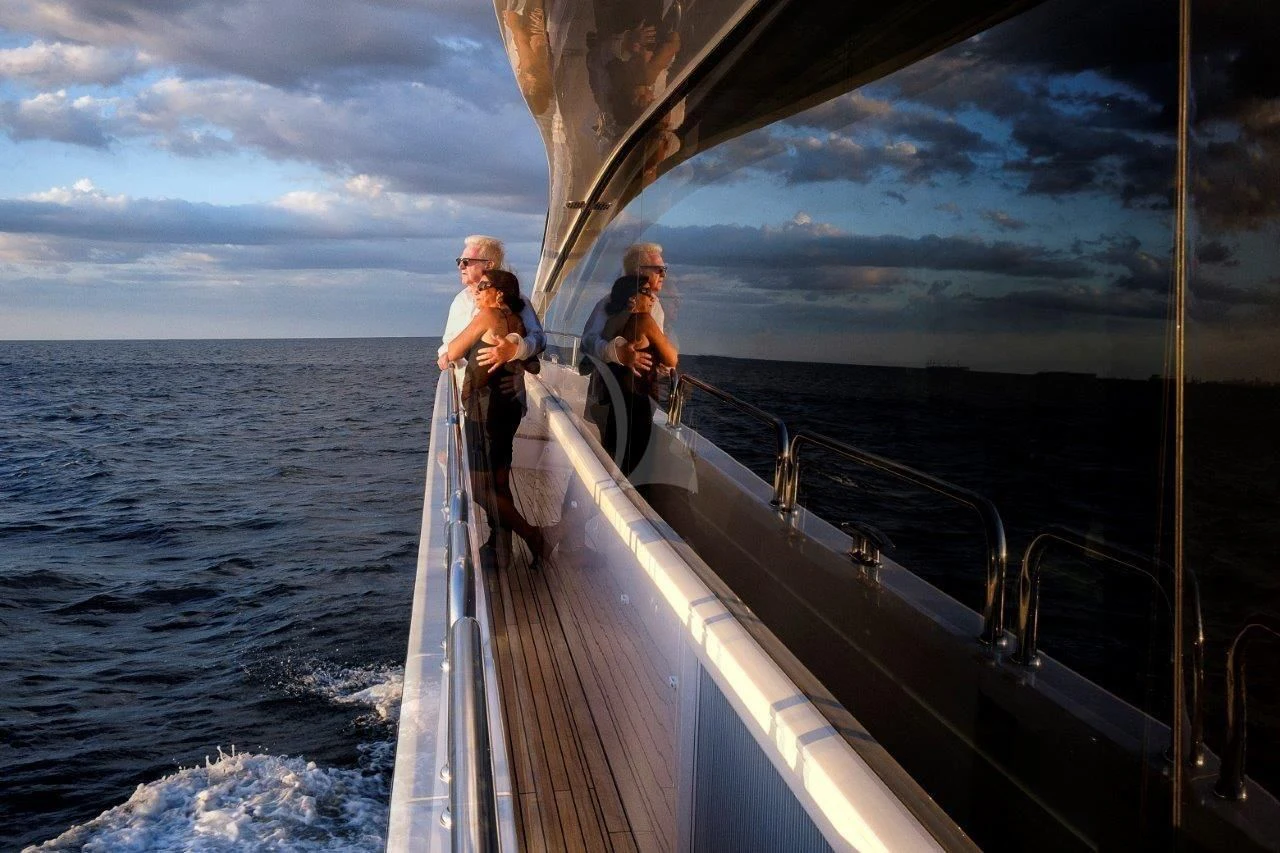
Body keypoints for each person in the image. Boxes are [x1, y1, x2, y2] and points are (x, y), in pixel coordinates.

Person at [444, 269, 549, 567]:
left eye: (483, 286)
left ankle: (532, 535)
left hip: (486, 409)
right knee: (499, 481)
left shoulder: (489, 315)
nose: (476, 291)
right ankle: (503, 547)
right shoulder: (514, 320)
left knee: (479, 486)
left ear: (499, 293)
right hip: (507, 406)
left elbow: (453, 350)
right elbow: (533, 363)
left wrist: (448, 355)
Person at [589, 274, 678, 475]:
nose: (653, 297)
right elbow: (672, 358)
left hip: (617, 400)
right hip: (637, 402)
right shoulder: (644, 320)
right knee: (633, 469)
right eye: (646, 291)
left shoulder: (615, 323)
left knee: (614, 461)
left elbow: (601, 342)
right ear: (632, 297)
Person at [438, 235, 545, 372]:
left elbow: (539, 338)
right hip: (466, 384)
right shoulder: (460, 300)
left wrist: (516, 349)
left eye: (466, 262)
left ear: (489, 265)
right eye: (459, 261)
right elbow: (448, 341)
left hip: (500, 387)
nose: (460, 266)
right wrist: (443, 354)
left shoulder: (516, 299)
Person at [581, 242, 669, 376]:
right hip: (609, 386)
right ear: (639, 271)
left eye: (665, 269)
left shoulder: (656, 306)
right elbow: (588, 341)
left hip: (640, 386)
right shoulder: (610, 301)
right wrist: (617, 353)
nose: (663, 275)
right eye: (659, 269)